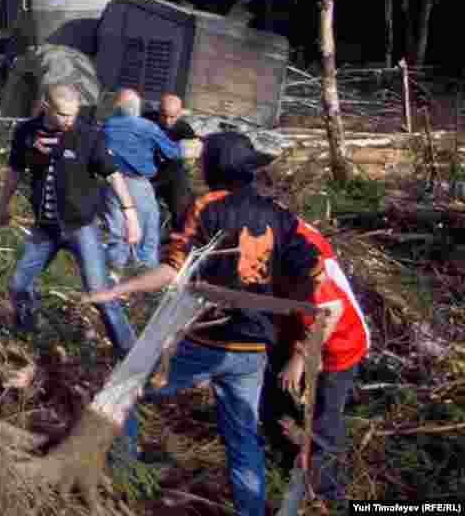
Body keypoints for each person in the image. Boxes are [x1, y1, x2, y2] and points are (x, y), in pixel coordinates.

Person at [87, 131, 331, 516]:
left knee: (123, 388)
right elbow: (314, 271)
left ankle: (122, 480)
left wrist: (118, 290)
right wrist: (295, 332)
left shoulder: (208, 208)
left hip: (206, 342)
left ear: (215, 167)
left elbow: (173, 269)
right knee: (243, 439)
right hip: (253, 350)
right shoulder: (280, 215)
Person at [0, 83, 140, 359]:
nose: (69, 120)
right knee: (19, 285)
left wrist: (130, 214)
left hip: (81, 227)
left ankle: (129, 352)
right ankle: (26, 341)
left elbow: (112, 175)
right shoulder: (26, 132)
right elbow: (15, 170)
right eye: (63, 115)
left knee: (100, 293)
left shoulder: (88, 135)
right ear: (46, 106)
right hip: (45, 227)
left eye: (73, 114)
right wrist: (4, 203)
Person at [260, 223, 369, 505]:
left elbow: (330, 313)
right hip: (292, 336)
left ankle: (326, 497)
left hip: (339, 350)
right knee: (276, 404)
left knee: (324, 423)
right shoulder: (272, 245)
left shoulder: (308, 270)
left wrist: (300, 359)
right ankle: (287, 468)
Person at [100, 88, 181, 271]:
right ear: (137, 108)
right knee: (148, 228)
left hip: (111, 183)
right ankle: (145, 270)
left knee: (118, 227)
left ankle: (114, 270)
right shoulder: (147, 127)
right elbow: (173, 153)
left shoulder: (107, 126)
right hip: (137, 183)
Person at [146, 93, 198, 232]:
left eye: (172, 117)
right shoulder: (145, 121)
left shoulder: (185, 131)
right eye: (164, 116)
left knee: (181, 209)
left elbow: (190, 160)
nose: (168, 121)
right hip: (146, 175)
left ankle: (177, 241)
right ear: (159, 111)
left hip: (172, 176)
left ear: (180, 114)